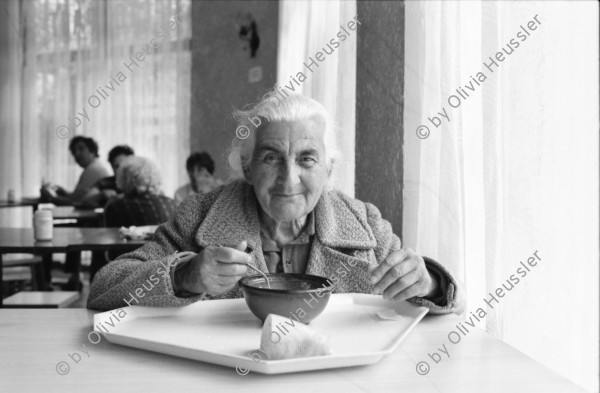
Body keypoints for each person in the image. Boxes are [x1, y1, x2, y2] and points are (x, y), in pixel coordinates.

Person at [88, 91, 464, 315]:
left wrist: (428, 283)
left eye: (307, 159)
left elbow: (449, 305)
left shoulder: (364, 223)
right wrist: (183, 276)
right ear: (247, 168)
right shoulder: (199, 216)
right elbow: (103, 289)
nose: (289, 179)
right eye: (271, 158)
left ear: (328, 170)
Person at [90, 156, 176, 282]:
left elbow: (109, 249)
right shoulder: (172, 204)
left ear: (123, 179)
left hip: (128, 274)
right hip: (168, 270)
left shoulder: (115, 206)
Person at [41, 136, 111, 205]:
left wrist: (50, 198)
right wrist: (65, 193)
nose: (76, 154)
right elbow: (78, 198)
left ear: (92, 150)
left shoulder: (93, 169)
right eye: (74, 151)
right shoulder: (96, 166)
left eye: (81, 149)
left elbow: (76, 202)